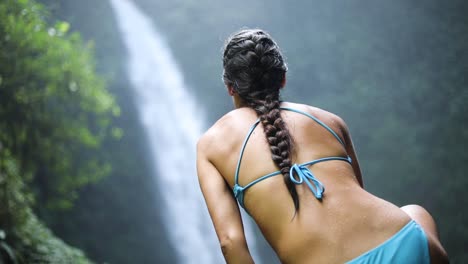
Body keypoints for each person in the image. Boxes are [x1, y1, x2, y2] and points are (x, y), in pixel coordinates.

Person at [196, 28, 448, 264]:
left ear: (230, 87)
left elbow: (231, 243)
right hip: (404, 245)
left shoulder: (212, 143)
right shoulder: (329, 121)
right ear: (282, 79)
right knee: (416, 212)